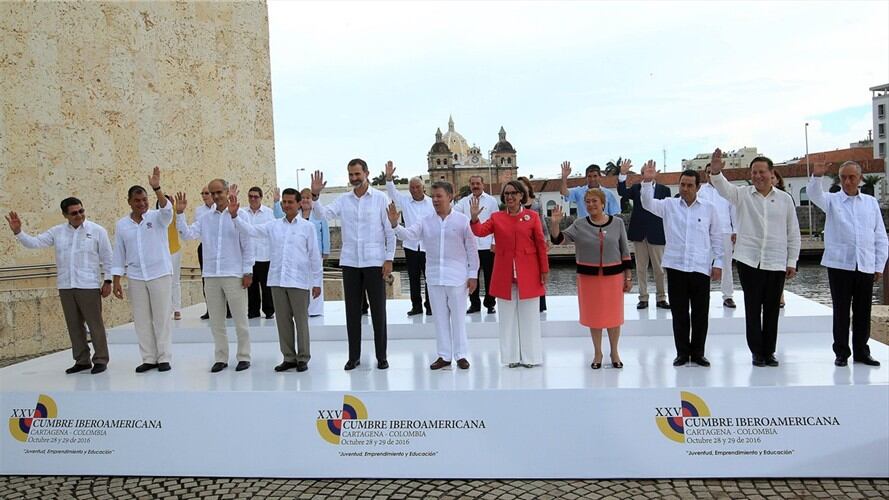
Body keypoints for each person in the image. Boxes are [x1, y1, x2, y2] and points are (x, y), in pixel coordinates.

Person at [709, 149, 800, 367]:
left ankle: (769, 351)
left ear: (771, 174)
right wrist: (716, 171)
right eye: (754, 172)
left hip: (776, 260)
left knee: (771, 309)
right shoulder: (742, 194)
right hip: (749, 260)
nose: (757, 176)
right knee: (752, 308)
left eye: (761, 172)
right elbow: (723, 188)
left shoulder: (785, 200)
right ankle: (756, 352)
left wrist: (792, 261)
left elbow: (793, 232)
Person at [7, 199, 113, 374]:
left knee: (95, 325)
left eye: (81, 211)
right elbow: (35, 243)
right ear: (65, 215)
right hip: (66, 285)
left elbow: (108, 258)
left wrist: (108, 281)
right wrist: (19, 232)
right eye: (74, 213)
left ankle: (101, 359)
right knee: (73, 325)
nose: (79, 215)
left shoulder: (97, 231)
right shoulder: (57, 232)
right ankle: (82, 360)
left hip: (88, 285)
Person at [310, 159, 395, 370]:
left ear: (367, 173)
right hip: (350, 262)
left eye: (357, 174)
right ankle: (353, 356)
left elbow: (389, 231)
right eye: (351, 175)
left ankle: (381, 356)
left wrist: (389, 259)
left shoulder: (380, 198)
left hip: (374, 262)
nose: (354, 178)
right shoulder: (344, 200)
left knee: (378, 312)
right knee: (352, 313)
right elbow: (323, 214)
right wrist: (315, 196)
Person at [639, 163, 724, 367]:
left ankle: (698, 353)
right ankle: (682, 353)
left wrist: (718, 262)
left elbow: (717, 238)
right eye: (682, 185)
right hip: (676, 266)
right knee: (679, 313)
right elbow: (647, 203)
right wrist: (648, 181)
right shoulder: (668, 205)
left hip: (700, 268)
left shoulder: (709, 209)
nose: (685, 189)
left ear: (698, 187)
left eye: (689, 185)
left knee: (700, 314)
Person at [388, 181, 479, 369]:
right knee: (439, 318)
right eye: (434, 196)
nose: (436, 200)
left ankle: (461, 354)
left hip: (457, 278)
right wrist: (395, 225)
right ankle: (444, 355)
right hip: (435, 277)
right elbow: (409, 235)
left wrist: (473, 275)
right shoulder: (425, 221)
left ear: (450, 197)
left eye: (439, 196)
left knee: (459, 318)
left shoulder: (462, 220)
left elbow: (472, 249)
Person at [231, 187, 322, 372]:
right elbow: (251, 230)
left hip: (298, 281)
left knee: (301, 322)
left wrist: (317, 282)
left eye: (291, 202)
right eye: (284, 202)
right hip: (277, 281)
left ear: (298, 204)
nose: (287, 205)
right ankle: (289, 357)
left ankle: (303, 357)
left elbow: (314, 256)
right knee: (283, 321)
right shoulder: (274, 225)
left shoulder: (308, 227)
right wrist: (235, 217)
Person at [808, 161, 887, 367]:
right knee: (841, 310)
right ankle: (841, 352)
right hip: (840, 264)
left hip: (865, 264)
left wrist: (879, 265)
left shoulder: (870, 203)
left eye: (851, 177)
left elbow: (879, 235)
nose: (847, 181)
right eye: (843, 177)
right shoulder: (832, 200)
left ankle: (862, 351)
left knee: (863, 311)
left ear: (859, 179)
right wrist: (817, 176)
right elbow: (814, 195)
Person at [175, 179, 255, 373]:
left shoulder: (240, 214)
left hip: (233, 274)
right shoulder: (205, 218)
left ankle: (244, 356)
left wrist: (248, 271)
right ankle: (221, 357)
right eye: (212, 193)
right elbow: (187, 235)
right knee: (216, 320)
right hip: (211, 275)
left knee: (240, 318)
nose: (216, 196)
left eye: (219, 192)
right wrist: (179, 214)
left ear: (227, 191)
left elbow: (248, 244)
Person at [470, 180, 549, 368]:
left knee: (530, 318)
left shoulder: (532, 216)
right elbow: (480, 232)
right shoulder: (497, 217)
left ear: (521, 195)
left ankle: (531, 358)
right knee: (507, 320)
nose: (510, 197)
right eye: (506, 194)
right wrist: (474, 219)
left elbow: (540, 245)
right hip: (504, 274)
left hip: (529, 273)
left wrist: (544, 269)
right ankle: (511, 358)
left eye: (513, 193)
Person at [550, 190, 632, 369]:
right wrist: (555, 224)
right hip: (589, 278)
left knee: (613, 316)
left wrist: (628, 275)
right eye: (587, 202)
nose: (591, 204)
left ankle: (614, 351)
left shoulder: (617, 223)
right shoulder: (579, 224)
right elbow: (559, 240)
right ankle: (597, 352)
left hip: (613, 277)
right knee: (594, 317)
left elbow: (624, 250)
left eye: (594, 201)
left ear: (603, 203)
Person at [111, 167, 175, 373]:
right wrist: (116, 280)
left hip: (159, 273)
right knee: (141, 319)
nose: (142, 204)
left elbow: (168, 211)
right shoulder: (122, 225)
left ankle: (164, 357)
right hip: (136, 276)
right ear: (129, 201)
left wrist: (157, 188)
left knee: (162, 317)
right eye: (137, 200)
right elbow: (119, 253)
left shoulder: (157, 217)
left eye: (145, 200)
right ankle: (148, 358)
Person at [618, 159, 671, 310]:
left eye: (648, 171)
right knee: (640, 268)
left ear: (654, 173)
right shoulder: (636, 188)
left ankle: (661, 298)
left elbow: (667, 211)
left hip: (657, 233)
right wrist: (622, 174)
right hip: (639, 233)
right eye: (643, 172)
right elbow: (622, 192)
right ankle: (643, 298)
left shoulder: (664, 190)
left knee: (659, 269)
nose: (645, 174)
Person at [385, 161, 434, 316]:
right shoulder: (405, 202)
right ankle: (416, 306)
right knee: (413, 278)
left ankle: (431, 306)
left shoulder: (432, 203)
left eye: (417, 187)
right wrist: (389, 178)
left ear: (423, 188)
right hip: (411, 246)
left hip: (428, 246)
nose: (414, 190)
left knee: (429, 278)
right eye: (412, 187)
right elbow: (392, 193)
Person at [454, 175, 500, 315]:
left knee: (490, 277)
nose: (475, 186)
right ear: (470, 185)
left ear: (483, 184)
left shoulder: (492, 201)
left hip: (487, 245)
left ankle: (490, 304)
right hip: (471, 246)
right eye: (473, 183)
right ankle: (474, 304)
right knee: (472, 276)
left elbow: (497, 223)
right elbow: (452, 213)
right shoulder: (463, 202)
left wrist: (494, 242)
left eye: (478, 183)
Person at [698, 164, 738, 308]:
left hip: (725, 231)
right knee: (704, 265)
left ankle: (728, 296)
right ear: (705, 174)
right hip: (706, 233)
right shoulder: (700, 191)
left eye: (712, 172)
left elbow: (734, 211)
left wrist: (736, 230)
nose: (710, 175)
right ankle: (702, 295)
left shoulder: (727, 189)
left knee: (726, 264)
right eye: (707, 173)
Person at [518, 176, 549, 312]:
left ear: (527, 187)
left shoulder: (536, 202)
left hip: (537, 241)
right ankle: (526, 301)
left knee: (540, 272)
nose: (521, 188)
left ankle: (541, 304)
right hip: (523, 243)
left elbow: (542, 222)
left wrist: (547, 238)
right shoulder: (517, 204)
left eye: (522, 185)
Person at [244, 186, 276, 319]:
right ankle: (253, 311)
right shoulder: (243, 213)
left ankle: (269, 311)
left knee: (266, 286)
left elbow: (273, 232)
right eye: (250, 196)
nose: (253, 199)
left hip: (264, 255)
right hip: (249, 255)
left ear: (261, 198)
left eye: (256, 196)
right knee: (251, 287)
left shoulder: (268, 213)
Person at [159, 195, 183, 320]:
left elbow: (181, 225)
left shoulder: (174, 212)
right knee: (163, 281)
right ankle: (166, 308)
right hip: (160, 252)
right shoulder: (155, 215)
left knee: (175, 281)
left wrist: (176, 208)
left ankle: (177, 309)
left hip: (174, 251)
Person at [196, 186, 215, 320]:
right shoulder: (199, 211)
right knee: (206, 279)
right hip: (205, 246)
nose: (204, 196)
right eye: (202, 193)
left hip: (220, 247)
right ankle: (210, 308)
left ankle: (228, 309)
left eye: (206, 193)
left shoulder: (220, 208)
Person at [771, 170, 789, 307]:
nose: (770, 180)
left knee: (779, 270)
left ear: (778, 180)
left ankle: (780, 295)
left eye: (773, 178)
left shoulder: (785, 198)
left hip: (781, 239)